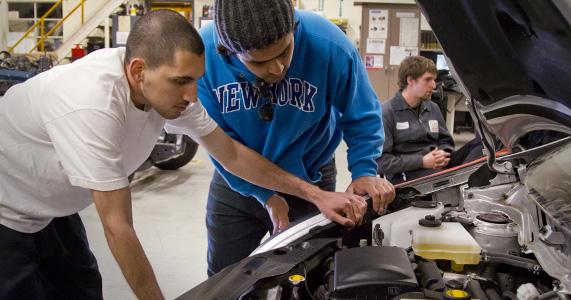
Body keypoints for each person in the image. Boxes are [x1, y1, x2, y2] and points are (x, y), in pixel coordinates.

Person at [0, 10, 368, 300]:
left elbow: (233, 154)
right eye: (181, 82)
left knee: (80, 287)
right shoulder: (91, 105)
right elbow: (118, 228)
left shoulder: (168, 89)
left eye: (196, 80)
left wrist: (317, 195)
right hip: (7, 210)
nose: (193, 95)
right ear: (138, 70)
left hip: (52, 211)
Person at [197, 0, 396, 276]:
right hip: (238, 184)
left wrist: (363, 169)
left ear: (294, 28)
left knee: (309, 275)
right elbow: (224, 147)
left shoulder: (329, 45)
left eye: (285, 51)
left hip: (312, 176)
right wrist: (265, 194)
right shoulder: (203, 55)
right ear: (227, 51)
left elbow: (361, 113)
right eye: (260, 61)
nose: (278, 68)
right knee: (224, 277)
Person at [377, 56, 482, 183]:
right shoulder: (387, 112)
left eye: (434, 80)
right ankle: (462, 180)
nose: (433, 85)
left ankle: (463, 178)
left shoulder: (432, 108)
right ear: (410, 80)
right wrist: (422, 162)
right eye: (428, 79)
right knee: (443, 177)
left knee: (483, 143)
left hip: (436, 163)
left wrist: (443, 153)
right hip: (409, 172)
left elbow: (445, 141)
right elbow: (381, 162)